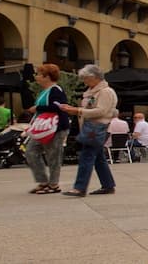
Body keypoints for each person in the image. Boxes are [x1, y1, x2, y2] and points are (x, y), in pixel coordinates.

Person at [60, 64, 118, 197]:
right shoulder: (93, 92)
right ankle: (108, 185)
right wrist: (74, 109)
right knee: (98, 158)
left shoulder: (105, 92)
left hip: (96, 128)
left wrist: (77, 110)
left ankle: (80, 187)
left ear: (94, 77)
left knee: (86, 156)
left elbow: (101, 111)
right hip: (91, 127)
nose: (84, 81)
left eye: (86, 78)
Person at [25, 63, 70, 195]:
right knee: (31, 151)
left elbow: (59, 106)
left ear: (47, 77)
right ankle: (43, 181)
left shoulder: (56, 90)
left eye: (39, 74)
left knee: (53, 156)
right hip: (42, 127)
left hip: (56, 127)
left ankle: (53, 184)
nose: (36, 77)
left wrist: (38, 108)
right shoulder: (44, 91)